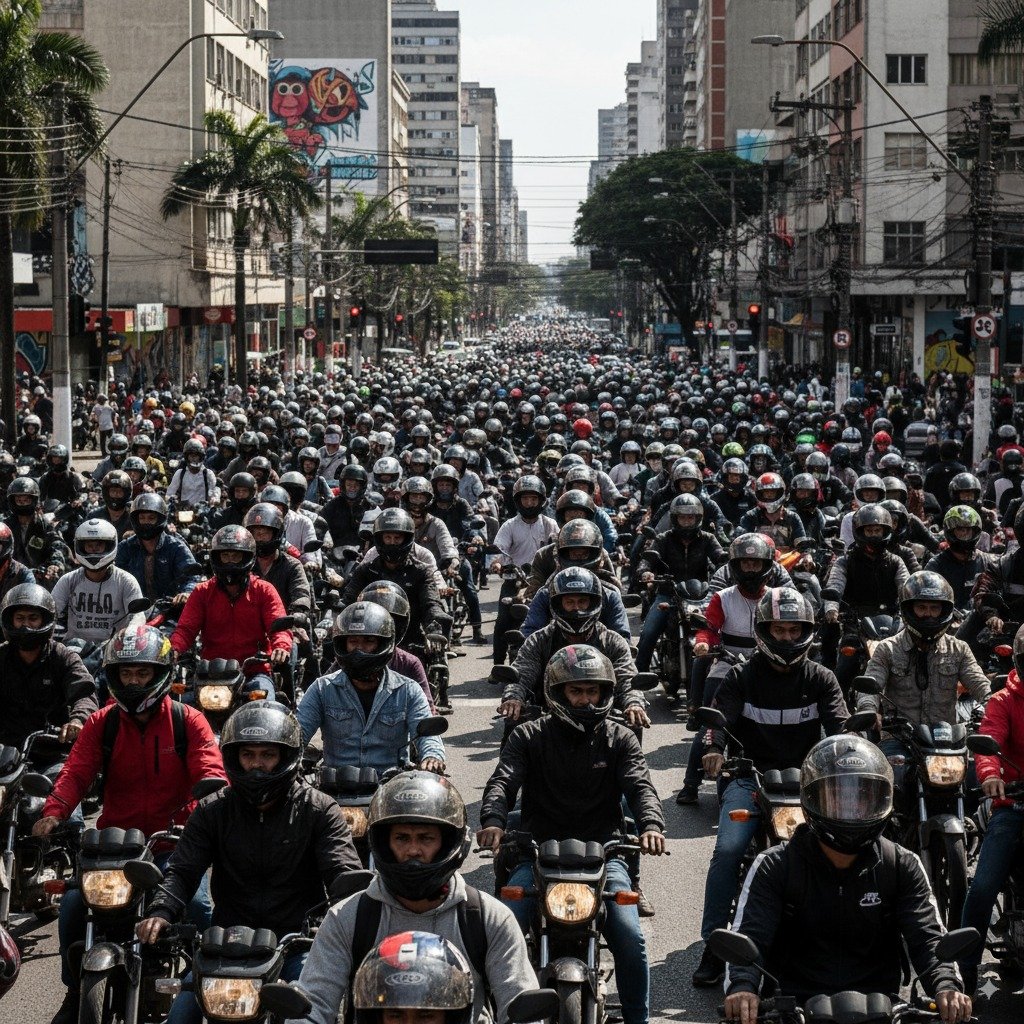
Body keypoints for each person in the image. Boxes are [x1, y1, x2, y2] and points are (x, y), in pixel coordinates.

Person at [34, 625, 225, 1024]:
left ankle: (204, 991)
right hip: (114, 845)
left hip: (171, 842)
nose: (134, 682)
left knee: (200, 907)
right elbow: (75, 772)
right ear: (114, 676)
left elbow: (210, 770)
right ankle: (74, 990)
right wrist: (54, 811)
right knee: (71, 906)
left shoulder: (187, 721)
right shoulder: (102, 723)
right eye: (126, 674)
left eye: (142, 673)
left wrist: (209, 805)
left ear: (161, 673)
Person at [136, 700, 362, 1024]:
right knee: (179, 1017)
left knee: (310, 1018)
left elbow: (342, 871)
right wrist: (160, 911)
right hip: (226, 945)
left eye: (267, 755)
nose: (257, 765)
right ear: (234, 758)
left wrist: (352, 911)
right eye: (248, 755)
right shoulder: (212, 810)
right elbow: (183, 871)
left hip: (295, 945)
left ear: (286, 757)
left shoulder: (319, 810)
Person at [724, 735, 971, 1024]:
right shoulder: (775, 865)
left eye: (863, 795)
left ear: (883, 798)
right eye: (839, 796)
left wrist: (946, 986)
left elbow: (927, 936)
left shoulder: (901, 864)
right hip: (792, 1008)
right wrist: (743, 988)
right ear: (813, 798)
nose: (852, 807)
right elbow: (749, 937)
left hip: (883, 1010)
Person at [478, 644, 666, 1024]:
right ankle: (495, 1014)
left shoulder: (620, 737)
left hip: (604, 854)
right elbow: (504, 780)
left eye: (592, 691)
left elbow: (639, 785)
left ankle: (637, 1019)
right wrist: (494, 820)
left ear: (604, 693)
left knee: (629, 936)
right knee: (504, 927)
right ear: (557, 692)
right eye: (576, 691)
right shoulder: (528, 735)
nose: (585, 699)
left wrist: (650, 825)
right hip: (536, 853)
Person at [692, 587, 848, 986]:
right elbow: (717, 723)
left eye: (795, 631)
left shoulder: (823, 678)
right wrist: (715, 750)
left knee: (848, 846)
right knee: (728, 850)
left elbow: (840, 730)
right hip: (750, 777)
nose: (787, 639)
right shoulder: (741, 675)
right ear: (764, 631)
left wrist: (852, 753)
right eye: (778, 630)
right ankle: (713, 943)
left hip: (808, 783)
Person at [293, 771, 537, 1024]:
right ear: (384, 844)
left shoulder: (490, 919)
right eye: (401, 838)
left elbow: (520, 1004)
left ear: (448, 843)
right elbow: (314, 1004)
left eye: (425, 838)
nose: (413, 850)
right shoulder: (347, 918)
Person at [297, 602, 445, 775]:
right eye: (353, 641)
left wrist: (432, 757)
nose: (359, 649)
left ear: (383, 644)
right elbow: (299, 733)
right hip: (333, 789)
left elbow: (427, 734)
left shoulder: (408, 690)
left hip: (391, 788)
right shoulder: (322, 689)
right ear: (343, 644)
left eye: (368, 641)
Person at [959, 622, 1024, 994]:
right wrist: (989, 775)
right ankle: (963, 974)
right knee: (983, 886)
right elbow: (990, 739)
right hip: (1014, 802)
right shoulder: (1003, 700)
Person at [856, 572, 989, 739]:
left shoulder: (959, 649)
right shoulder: (887, 649)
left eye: (934, 608)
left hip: (947, 740)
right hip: (900, 739)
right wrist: (868, 710)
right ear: (908, 609)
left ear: (944, 610)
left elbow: (979, 682)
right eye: (921, 608)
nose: (928, 614)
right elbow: (871, 685)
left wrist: (991, 703)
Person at [170, 525, 291, 701]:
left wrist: (281, 646)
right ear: (216, 558)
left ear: (248, 557)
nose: (230, 561)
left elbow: (278, 624)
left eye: (235, 556)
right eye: (225, 556)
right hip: (210, 674)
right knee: (182, 711)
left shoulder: (264, 590)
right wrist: (173, 649)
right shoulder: (202, 592)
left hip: (254, 672)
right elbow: (185, 629)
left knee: (266, 708)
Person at [635, 493, 725, 672]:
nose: (686, 522)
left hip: (700, 596)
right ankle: (639, 677)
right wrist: (645, 572)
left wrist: (725, 561)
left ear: (698, 518)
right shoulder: (663, 538)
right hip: (668, 593)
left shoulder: (707, 538)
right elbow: (647, 561)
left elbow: (719, 556)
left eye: (690, 517)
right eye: (682, 517)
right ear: (675, 518)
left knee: (722, 631)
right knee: (649, 632)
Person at [490, 476, 558, 665]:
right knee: (503, 620)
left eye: (533, 499)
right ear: (518, 501)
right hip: (515, 580)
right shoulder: (509, 525)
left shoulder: (549, 524)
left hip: (545, 581)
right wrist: (497, 563)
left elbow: (559, 547)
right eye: (525, 499)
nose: (529, 503)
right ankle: (497, 664)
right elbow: (500, 549)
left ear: (541, 500)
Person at [52, 519, 146, 646]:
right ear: (81, 547)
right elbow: (52, 611)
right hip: (75, 648)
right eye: (89, 546)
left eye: (98, 546)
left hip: (113, 648)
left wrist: (131, 630)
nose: (94, 550)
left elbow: (138, 616)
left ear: (109, 546)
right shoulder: (68, 580)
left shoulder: (126, 581)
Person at [115, 493, 202, 605]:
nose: (146, 522)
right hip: (132, 610)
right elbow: (115, 576)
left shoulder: (176, 547)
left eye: (151, 518)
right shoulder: (126, 547)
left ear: (160, 519)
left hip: (169, 610)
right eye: (142, 518)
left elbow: (191, 577)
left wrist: (186, 593)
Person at [4, 477, 67, 585]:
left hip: (38, 578)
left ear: (33, 500)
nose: (23, 504)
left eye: (26, 500)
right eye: (19, 501)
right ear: (13, 501)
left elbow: (58, 545)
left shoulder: (44, 525)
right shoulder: (5, 525)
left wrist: (55, 564)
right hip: (9, 578)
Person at [166, 438, 221, 508]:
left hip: (203, 511)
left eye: (196, 455)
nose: (193, 458)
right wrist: (171, 498)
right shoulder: (180, 473)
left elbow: (214, 490)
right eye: (191, 456)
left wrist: (214, 499)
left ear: (201, 457)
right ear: (186, 457)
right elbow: (170, 493)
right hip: (184, 512)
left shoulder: (208, 474)